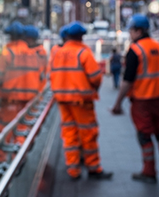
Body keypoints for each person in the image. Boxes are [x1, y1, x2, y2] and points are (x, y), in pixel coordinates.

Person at [49, 21, 112, 181]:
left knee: (69, 133)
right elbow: (96, 77)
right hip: (81, 101)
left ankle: (73, 169)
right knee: (88, 133)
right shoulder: (83, 53)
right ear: (81, 36)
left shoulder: (57, 53)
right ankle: (93, 168)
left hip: (62, 101)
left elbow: (50, 74)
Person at [111, 15, 159, 184]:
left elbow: (127, 81)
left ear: (138, 31)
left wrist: (117, 103)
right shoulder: (157, 46)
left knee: (145, 136)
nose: (130, 34)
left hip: (142, 101)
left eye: (131, 30)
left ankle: (149, 171)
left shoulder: (136, 50)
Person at [0, 22, 41, 165]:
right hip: (28, 102)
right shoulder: (32, 54)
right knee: (22, 131)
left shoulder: (8, 53)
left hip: (10, 101)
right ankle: (17, 159)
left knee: (4, 131)